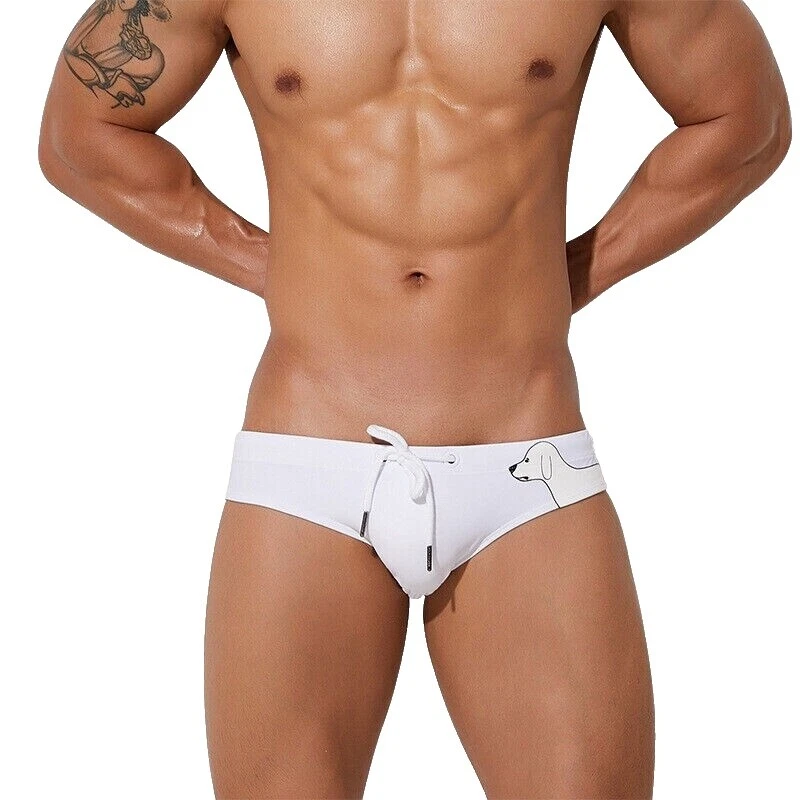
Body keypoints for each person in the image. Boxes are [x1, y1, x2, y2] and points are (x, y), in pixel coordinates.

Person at [39, 1, 791, 797]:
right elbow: (80, 136)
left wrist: (564, 276)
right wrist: (275, 265)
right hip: (310, 457)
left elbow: (747, 120)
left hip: (524, 458)